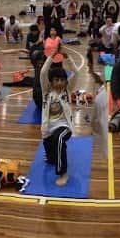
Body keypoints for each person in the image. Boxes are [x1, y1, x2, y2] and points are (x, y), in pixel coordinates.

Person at [38, 47, 80, 187]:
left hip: (64, 126)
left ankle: (63, 173)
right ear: (51, 82)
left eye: (63, 80)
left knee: (59, 139)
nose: (60, 83)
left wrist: (67, 58)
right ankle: (52, 156)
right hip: (48, 128)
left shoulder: (67, 91)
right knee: (51, 158)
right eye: (57, 80)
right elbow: (44, 72)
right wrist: (52, 56)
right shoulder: (46, 92)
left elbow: (76, 72)